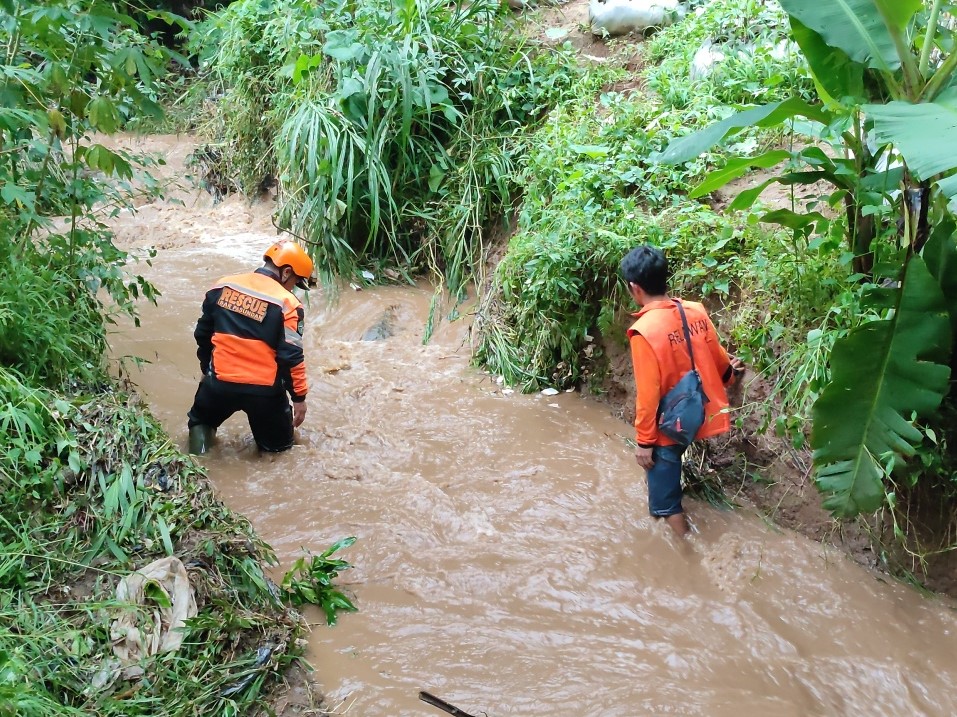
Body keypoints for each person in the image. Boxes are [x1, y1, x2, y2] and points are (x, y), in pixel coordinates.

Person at [621, 245, 743, 537]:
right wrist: (732, 375)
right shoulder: (695, 311)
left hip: (669, 427)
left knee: (666, 506)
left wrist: (644, 442)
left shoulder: (644, 331)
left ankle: (688, 555)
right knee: (665, 479)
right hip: (701, 411)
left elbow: (648, 395)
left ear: (635, 288)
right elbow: (718, 358)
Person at [187, 240, 316, 454]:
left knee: (201, 422)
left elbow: (202, 334)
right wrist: (299, 398)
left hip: (219, 384)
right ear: (286, 272)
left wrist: (207, 370)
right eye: (294, 282)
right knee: (280, 451)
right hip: (264, 393)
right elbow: (291, 357)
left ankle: (197, 464)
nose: (293, 288)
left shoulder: (222, 287)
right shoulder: (288, 304)